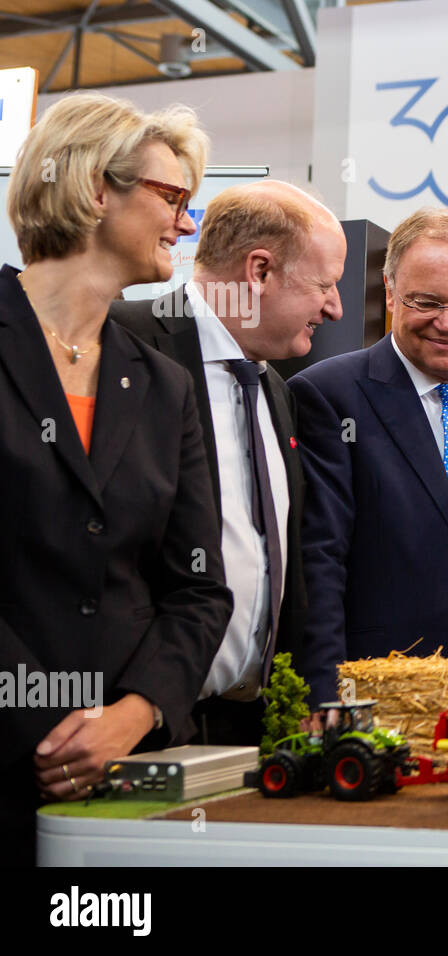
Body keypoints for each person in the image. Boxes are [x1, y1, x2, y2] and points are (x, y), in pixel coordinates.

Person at [0, 93, 232, 864]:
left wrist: (135, 713)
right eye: (173, 198)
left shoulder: (165, 386)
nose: (188, 225)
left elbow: (199, 588)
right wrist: (52, 725)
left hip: (131, 778)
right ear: (96, 188)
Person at [111, 181, 346, 745]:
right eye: (324, 284)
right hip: (134, 727)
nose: (336, 307)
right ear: (259, 271)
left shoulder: (277, 388)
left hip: (251, 725)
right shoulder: (122, 343)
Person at [289, 207, 448, 708]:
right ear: (390, 293)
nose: (447, 322)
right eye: (426, 301)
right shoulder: (326, 396)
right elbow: (318, 563)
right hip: (377, 698)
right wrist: (324, 698)